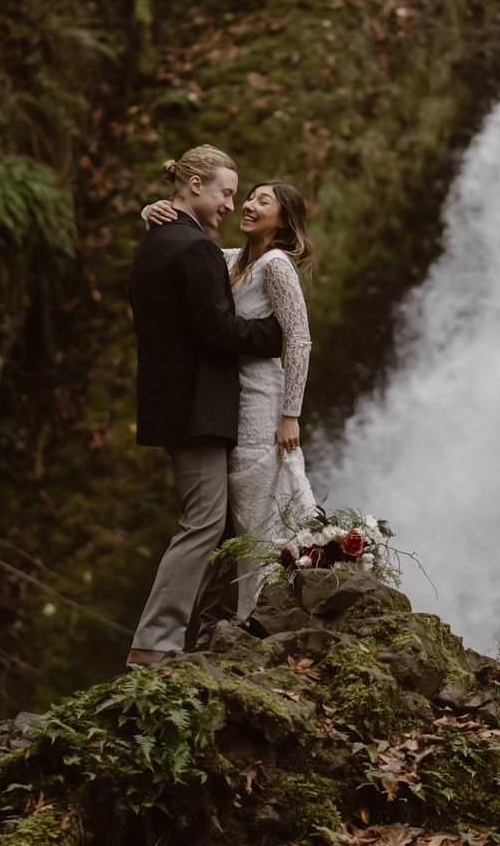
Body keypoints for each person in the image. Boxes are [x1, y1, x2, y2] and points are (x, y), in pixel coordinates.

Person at [126, 145, 283, 667]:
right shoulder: (191, 248)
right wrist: (273, 334)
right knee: (203, 523)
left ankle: (208, 629)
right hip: (196, 407)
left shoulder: (157, 238)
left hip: (175, 403)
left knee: (212, 523)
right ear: (194, 186)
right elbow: (216, 328)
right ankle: (156, 642)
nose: (229, 204)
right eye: (225, 192)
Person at [141, 178, 318, 621]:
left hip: (263, 396)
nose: (248, 205)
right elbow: (183, 251)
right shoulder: (234, 260)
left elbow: (299, 339)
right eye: (249, 197)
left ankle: (260, 613)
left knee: (259, 498)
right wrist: (150, 213)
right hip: (231, 394)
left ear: (283, 221)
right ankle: (247, 612)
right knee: (240, 504)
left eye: (263, 201)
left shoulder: (277, 264)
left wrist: (290, 414)